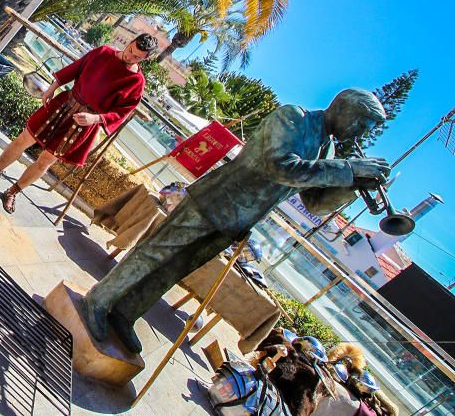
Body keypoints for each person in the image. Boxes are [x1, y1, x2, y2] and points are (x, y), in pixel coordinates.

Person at [81, 88, 392, 353]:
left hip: (237, 219)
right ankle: (99, 299)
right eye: (361, 122)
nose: (360, 132)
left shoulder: (329, 149)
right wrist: (348, 170)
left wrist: (352, 186)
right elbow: (281, 167)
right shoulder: (295, 117)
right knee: (155, 251)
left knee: (175, 267)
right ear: (343, 107)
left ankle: (125, 312)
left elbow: (314, 203)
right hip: (215, 199)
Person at [0, 33, 158, 214]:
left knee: (45, 161)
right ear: (131, 41)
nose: (130, 56)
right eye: (131, 49)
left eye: (137, 57)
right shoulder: (103, 52)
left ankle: (12, 192)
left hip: (83, 123)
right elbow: (77, 67)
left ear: (145, 59)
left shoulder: (137, 83)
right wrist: (53, 87)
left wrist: (96, 118)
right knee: (24, 139)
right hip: (64, 103)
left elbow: (122, 112)